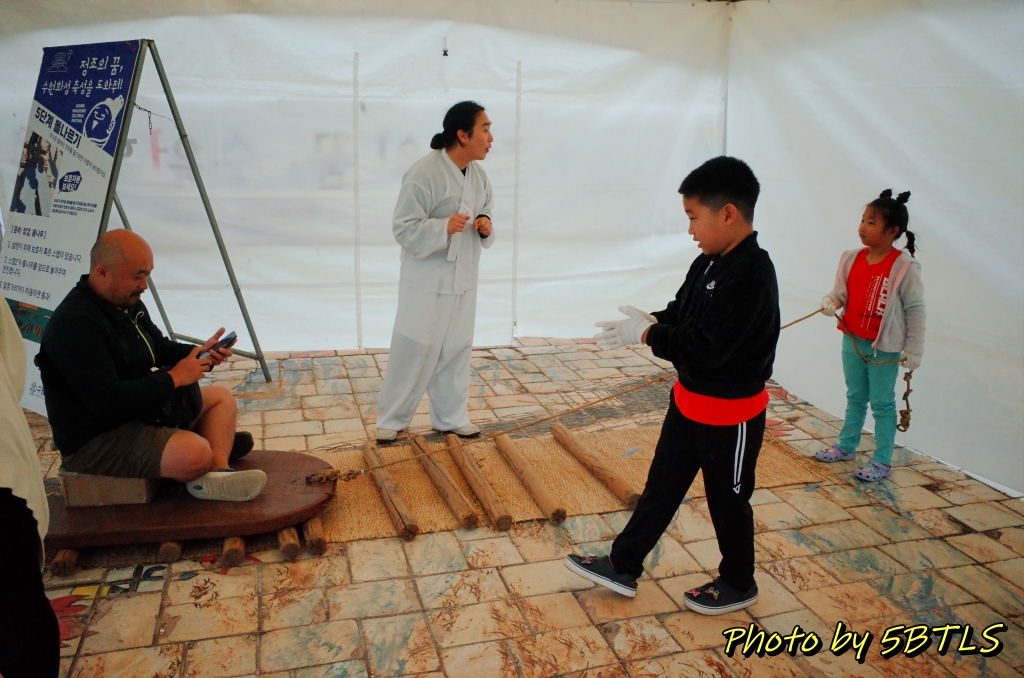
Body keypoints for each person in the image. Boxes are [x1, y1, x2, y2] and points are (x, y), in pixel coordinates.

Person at [565, 156, 779, 615]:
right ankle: (622, 564)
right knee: (660, 488)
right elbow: (683, 313)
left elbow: (706, 347)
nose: (690, 230)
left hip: (731, 416)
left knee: (728, 501)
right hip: (688, 404)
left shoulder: (753, 275)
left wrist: (647, 334)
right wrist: (651, 320)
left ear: (728, 213)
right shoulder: (707, 262)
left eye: (693, 217)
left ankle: (739, 581)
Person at [37, 229, 266, 501]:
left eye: (147, 274)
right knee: (196, 454)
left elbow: (158, 347)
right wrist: (175, 378)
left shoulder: (125, 301)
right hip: (96, 437)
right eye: (138, 276)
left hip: (137, 412)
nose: (144, 285)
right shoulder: (75, 324)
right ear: (102, 272)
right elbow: (108, 400)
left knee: (221, 398)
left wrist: (199, 354)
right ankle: (205, 448)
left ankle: (218, 470)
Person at [375, 101, 495, 442]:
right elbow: (403, 227)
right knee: (414, 348)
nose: (490, 138)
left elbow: (486, 208)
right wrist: (443, 227)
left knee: (457, 348)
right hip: (427, 280)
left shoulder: (478, 175)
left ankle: (450, 417)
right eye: (485, 130)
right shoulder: (423, 174)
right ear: (462, 135)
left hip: (463, 276)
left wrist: (485, 224)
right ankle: (392, 418)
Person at [815, 190, 925, 482]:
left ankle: (882, 461)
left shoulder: (904, 267)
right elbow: (840, 293)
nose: (862, 227)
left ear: (892, 231)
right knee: (855, 396)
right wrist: (830, 302)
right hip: (852, 341)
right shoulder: (851, 258)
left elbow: (916, 309)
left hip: (883, 349)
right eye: (863, 220)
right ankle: (847, 445)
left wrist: (915, 349)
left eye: (871, 222)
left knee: (883, 404)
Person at [1, 299, 60, 677]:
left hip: (5, 481)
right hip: (5, 477)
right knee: (17, 606)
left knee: (17, 605)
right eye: (139, 275)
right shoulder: (79, 320)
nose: (143, 285)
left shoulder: (129, 312)